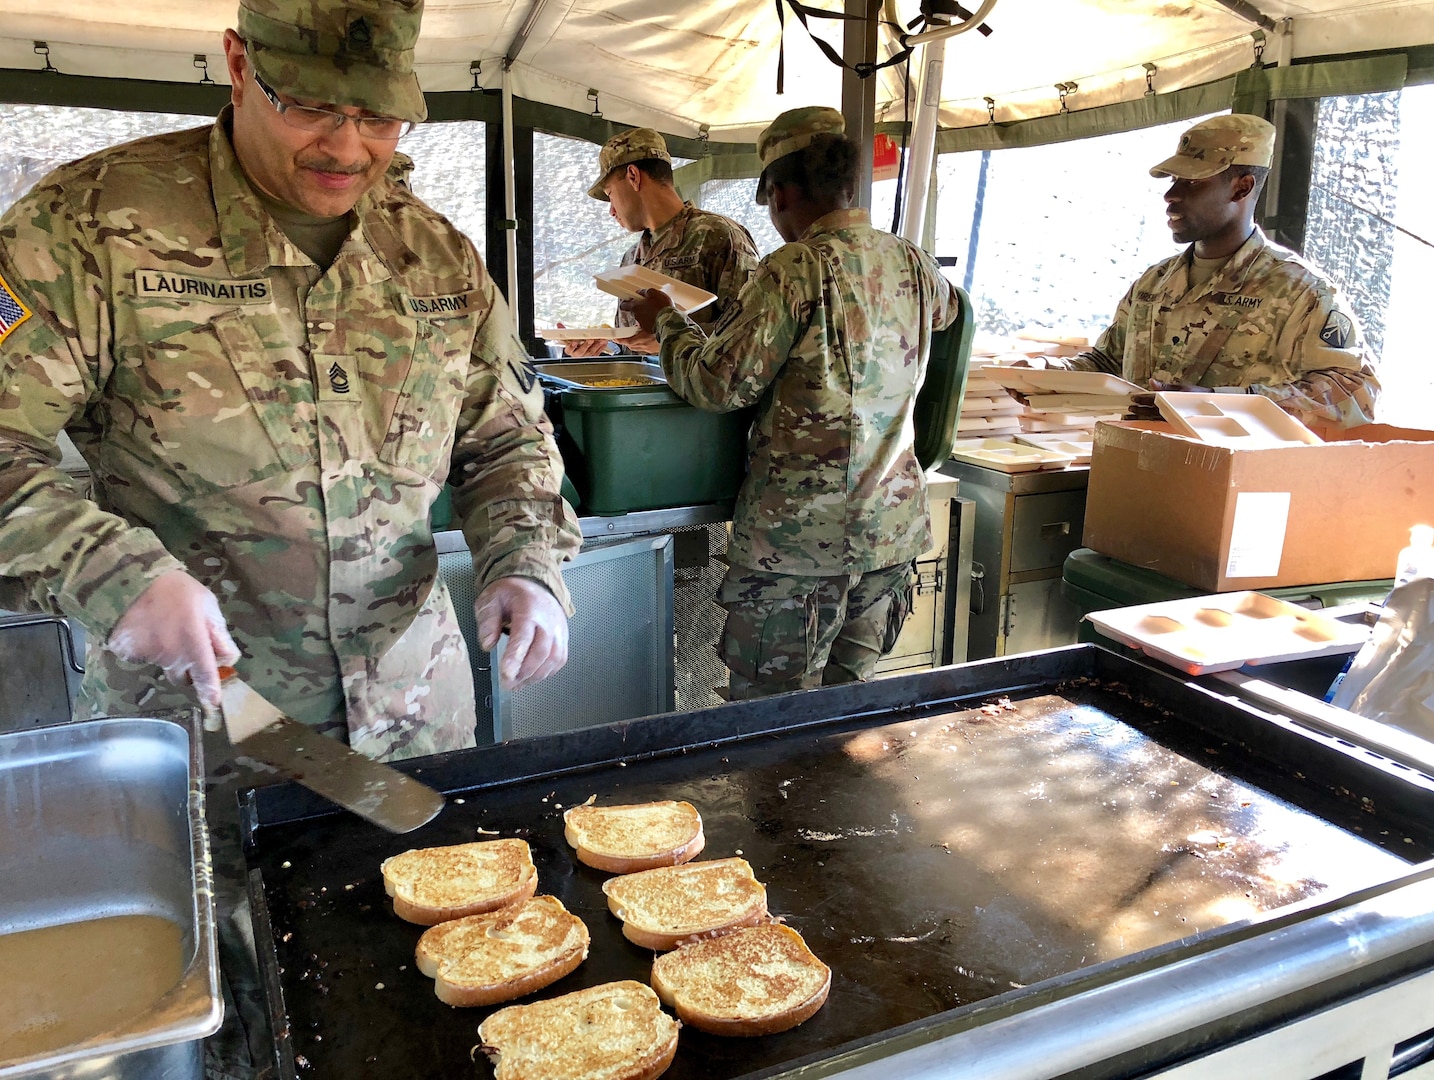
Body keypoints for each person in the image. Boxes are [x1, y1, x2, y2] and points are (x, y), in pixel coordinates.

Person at [0, 3, 580, 1075]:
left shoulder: (438, 258)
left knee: (432, 1012)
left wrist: (526, 565)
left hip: (415, 725)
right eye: (311, 104)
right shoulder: (90, 225)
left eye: (380, 117)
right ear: (236, 64)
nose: (348, 146)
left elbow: (509, 443)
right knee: (229, 1030)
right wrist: (116, 572)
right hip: (201, 732)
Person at [622, 106, 961, 700]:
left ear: (779, 192)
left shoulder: (794, 269)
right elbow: (952, 312)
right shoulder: (911, 261)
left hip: (798, 550)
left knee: (768, 724)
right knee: (847, 715)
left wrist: (668, 324)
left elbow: (718, 385)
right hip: (888, 537)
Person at [1067, 113, 1380, 428]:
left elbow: (1353, 395)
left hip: (1233, 474)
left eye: (1192, 182)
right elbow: (1107, 362)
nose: (1171, 195)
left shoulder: (1300, 292)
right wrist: (1041, 377)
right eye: (1174, 181)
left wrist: (1217, 403)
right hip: (1138, 465)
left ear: (1241, 188)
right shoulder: (1153, 284)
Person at [564, 127, 759, 358]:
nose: (611, 210)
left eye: (610, 194)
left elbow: (753, 331)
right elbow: (630, 353)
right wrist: (595, 350)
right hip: (642, 393)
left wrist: (670, 338)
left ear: (633, 176)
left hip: (693, 394)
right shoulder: (632, 258)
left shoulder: (717, 235)